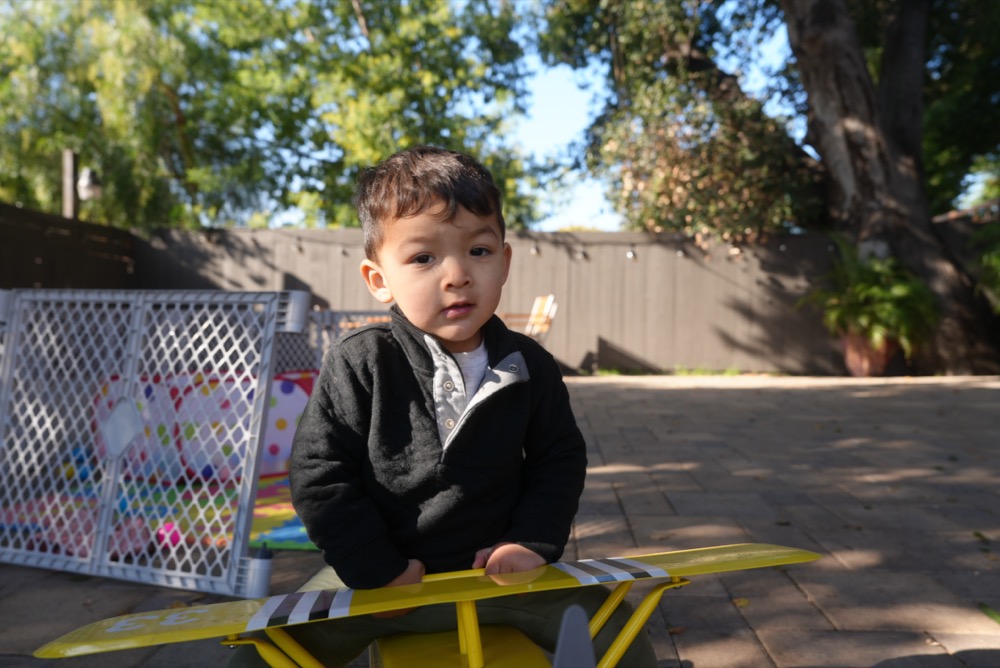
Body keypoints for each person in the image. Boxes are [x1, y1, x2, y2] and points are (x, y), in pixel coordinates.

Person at [228, 146, 657, 667]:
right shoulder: (360, 362)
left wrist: (529, 543)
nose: (456, 274)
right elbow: (319, 475)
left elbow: (558, 461)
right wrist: (375, 566)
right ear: (379, 279)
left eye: (478, 251)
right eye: (423, 258)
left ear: (504, 260)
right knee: (267, 651)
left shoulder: (530, 365)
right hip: (380, 582)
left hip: (500, 577)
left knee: (620, 632)